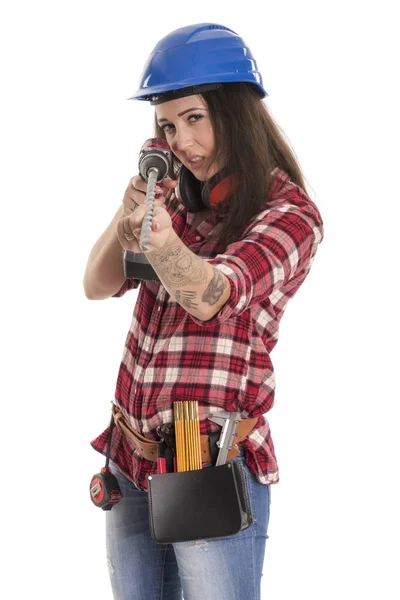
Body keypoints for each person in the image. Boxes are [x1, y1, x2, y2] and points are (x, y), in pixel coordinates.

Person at [84, 22, 324, 600]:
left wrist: (162, 242)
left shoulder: (290, 215)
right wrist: (131, 213)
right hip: (129, 461)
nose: (183, 142)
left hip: (208, 469)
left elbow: (214, 293)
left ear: (236, 112)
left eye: (195, 118)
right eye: (168, 125)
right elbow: (95, 284)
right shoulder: (177, 202)